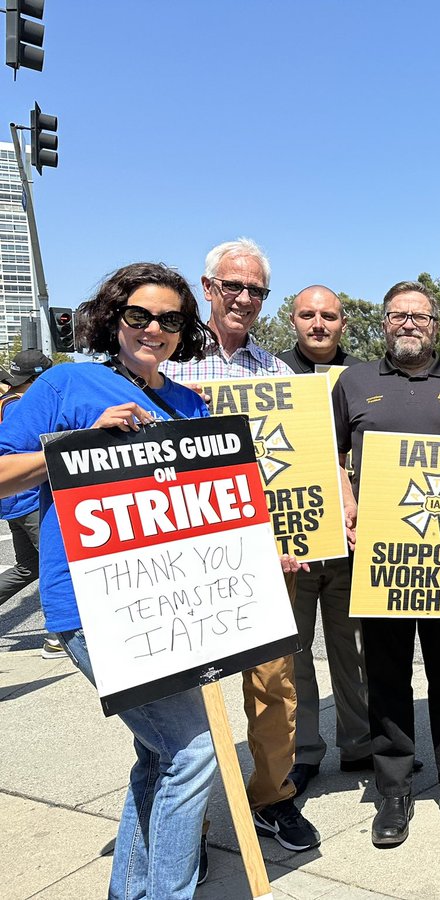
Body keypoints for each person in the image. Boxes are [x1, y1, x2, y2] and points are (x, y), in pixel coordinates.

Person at [0, 263, 223, 898]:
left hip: (172, 602)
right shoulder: (66, 382)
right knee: (194, 751)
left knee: (159, 755)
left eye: (170, 320)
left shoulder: (188, 404)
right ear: (112, 318)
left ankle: (130, 891)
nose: (153, 328)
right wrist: (75, 443)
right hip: (91, 606)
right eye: (139, 315)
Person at [161, 238, 319, 854]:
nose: (245, 299)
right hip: (185, 554)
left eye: (256, 290)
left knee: (274, 684)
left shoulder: (277, 374)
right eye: (234, 286)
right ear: (207, 289)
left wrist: (300, 535)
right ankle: (189, 822)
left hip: (264, 553)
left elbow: (298, 466)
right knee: (184, 692)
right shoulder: (167, 363)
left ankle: (272, 797)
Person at [332, 280, 440, 847]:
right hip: (381, 558)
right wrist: (346, 498)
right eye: (398, 315)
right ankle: (394, 787)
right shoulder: (352, 382)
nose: (409, 324)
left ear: (435, 324)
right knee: (385, 674)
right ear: (382, 322)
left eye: (420, 316)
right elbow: (329, 453)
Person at [274, 286, 373, 796]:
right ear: (292, 320)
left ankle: (359, 743)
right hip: (293, 544)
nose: (318, 323)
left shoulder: (365, 377)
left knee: (353, 651)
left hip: (354, 542)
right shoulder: (269, 374)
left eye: (329, 316)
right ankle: (305, 750)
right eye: (308, 315)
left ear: (343, 324)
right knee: (296, 653)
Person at [0, 350, 61, 659]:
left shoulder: (5, 402)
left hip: (12, 502)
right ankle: (57, 637)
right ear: (37, 379)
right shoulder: (21, 408)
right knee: (59, 566)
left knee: (28, 566)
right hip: (28, 499)